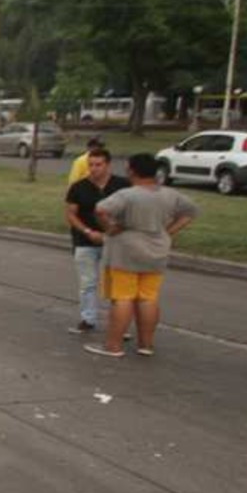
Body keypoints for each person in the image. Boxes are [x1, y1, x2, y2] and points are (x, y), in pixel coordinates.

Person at [85, 153, 198, 359]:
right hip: (156, 250)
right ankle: (146, 344)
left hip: (125, 251)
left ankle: (113, 345)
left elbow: (100, 210)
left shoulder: (127, 195)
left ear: (132, 171)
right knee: (148, 298)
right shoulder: (170, 194)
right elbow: (190, 212)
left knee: (122, 298)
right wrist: (168, 232)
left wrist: (109, 228)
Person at [63, 147, 128, 334]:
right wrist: (87, 231)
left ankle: (118, 323)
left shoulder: (122, 185)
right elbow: (71, 214)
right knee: (88, 283)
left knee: (116, 285)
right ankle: (88, 318)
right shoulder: (78, 187)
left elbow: (129, 213)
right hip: (85, 240)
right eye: (90, 165)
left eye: (98, 165)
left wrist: (114, 231)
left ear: (108, 165)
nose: (94, 169)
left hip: (114, 241)